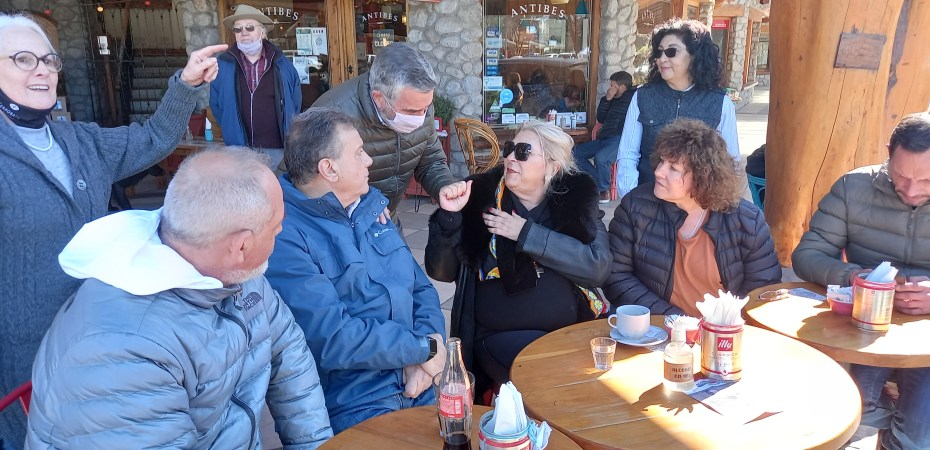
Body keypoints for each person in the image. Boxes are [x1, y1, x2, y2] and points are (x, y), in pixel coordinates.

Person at [0, 13, 225, 448]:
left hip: (93, 340)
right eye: (23, 59)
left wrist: (185, 84)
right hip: (21, 359)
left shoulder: (79, 141)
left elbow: (154, 138)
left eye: (48, 59)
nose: (42, 70)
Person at [25, 149, 333, 449]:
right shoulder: (121, 352)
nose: (280, 234)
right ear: (241, 246)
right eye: (276, 229)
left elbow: (290, 353)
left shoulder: (236, 272)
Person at [266, 107, 447, 434]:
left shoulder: (371, 209)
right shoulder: (286, 235)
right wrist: (423, 348)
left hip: (420, 380)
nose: (369, 161)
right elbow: (332, 337)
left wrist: (426, 355)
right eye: (359, 153)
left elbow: (420, 289)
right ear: (329, 169)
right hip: (359, 400)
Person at [425, 120, 610, 399]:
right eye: (509, 148)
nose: (510, 157)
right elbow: (440, 271)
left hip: (567, 331)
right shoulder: (479, 196)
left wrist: (526, 234)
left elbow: (597, 267)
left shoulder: (575, 201)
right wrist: (449, 218)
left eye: (523, 151)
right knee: (556, 376)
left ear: (552, 167)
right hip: (498, 337)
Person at [792, 112, 930, 450]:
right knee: (848, 408)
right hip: (863, 323)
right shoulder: (853, 187)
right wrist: (854, 277)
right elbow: (807, 255)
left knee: (917, 435)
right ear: (888, 152)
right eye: (901, 176)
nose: (911, 190)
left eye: (927, 180)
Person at [603, 119, 780, 317]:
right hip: (655, 326)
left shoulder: (747, 221)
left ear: (702, 177)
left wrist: (725, 325)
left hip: (723, 330)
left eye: (673, 168)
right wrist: (674, 319)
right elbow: (616, 277)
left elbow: (762, 291)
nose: (658, 172)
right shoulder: (635, 206)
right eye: (661, 161)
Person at [312, 42, 456, 217]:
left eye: (426, 107)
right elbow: (301, 185)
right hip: (337, 225)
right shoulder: (329, 115)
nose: (421, 116)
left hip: (387, 219)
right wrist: (359, 204)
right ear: (379, 98)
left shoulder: (419, 105)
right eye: (411, 111)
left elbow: (430, 161)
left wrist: (444, 187)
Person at [615, 19, 740, 198]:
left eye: (671, 52)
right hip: (649, 199)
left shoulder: (720, 103)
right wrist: (631, 198)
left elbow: (729, 162)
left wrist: (716, 204)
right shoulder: (643, 96)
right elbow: (627, 154)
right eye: (659, 52)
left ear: (695, 55)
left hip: (697, 203)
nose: (662, 59)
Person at [210, 4, 301, 170]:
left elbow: (295, 103)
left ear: (262, 32)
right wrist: (231, 128)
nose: (244, 32)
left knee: (277, 186)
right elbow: (217, 105)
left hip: (277, 149)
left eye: (250, 27)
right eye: (238, 28)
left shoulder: (282, 64)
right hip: (238, 150)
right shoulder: (223, 64)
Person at [573, 71, 637, 202]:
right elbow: (601, 118)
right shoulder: (612, 99)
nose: (610, 88)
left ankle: (603, 190)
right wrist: (607, 100)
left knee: (601, 158)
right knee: (573, 154)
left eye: (613, 86)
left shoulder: (633, 97)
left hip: (620, 138)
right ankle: (599, 181)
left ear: (622, 87)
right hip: (604, 138)